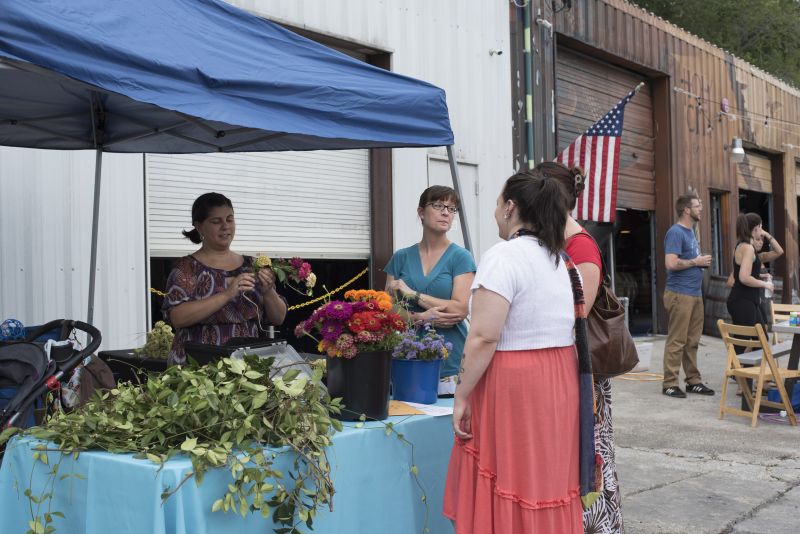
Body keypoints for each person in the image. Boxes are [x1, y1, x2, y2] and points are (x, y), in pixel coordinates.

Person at [443, 170, 583, 533]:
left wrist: (462, 394)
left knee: (510, 474)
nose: (494, 211)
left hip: (514, 380)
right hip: (558, 375)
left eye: (496, 203)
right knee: (545, 477)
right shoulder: (562, 262)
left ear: (510, 208)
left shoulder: (505, 256)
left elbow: (483, 337)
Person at [537, 161, 624, 533]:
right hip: (559, 370)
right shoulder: (553, 242)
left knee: (587, 458)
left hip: (579, 372)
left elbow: (575, 318)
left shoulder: (582, 248)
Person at [162, 193, 287, 365]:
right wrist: (226, 294)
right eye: (216, 221)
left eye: (230, 219)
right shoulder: (186, 268)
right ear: (199, 226)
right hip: (198, 366)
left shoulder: (252, 264)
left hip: (246, 367)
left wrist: (268, 292)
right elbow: (177, 317)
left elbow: (278, 318)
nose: (225, 227)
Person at [385, 186, 476, 395]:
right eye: (438, 205)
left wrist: (413, 295)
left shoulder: (461, 257)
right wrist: (421, 317)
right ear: (421, 212)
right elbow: (388, 310)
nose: (446, 212)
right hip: (405, 358)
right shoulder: (401, 257)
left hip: (450, 365)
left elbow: (460, 309)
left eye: (452, 209)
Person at [662, 193, 714, 398]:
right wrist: (696, 262)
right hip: (679, 294)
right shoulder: (676, 232)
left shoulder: (691, 231)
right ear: (686, 210)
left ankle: (693, 381)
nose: (701, 208)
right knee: (677, 340)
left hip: (694, 293)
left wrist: (697, 261)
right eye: (697, 205)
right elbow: (671, 263)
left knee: (692, 340)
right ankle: (669, 383)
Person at [726, 213, 783, 351]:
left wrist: (759, 278)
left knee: (761, 337)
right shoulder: (748, 248)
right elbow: (744, 278)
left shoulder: (744, 246)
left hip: (749, 300)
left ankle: (748, 370)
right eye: (761, 227)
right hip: (742, 300)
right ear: (756, 228)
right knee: (743, 341)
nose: (762, 231)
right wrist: (765, 284)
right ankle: (736, 371)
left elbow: (779, 251)